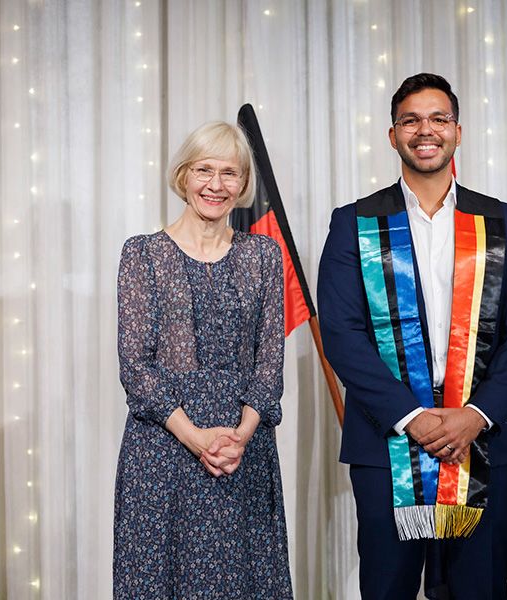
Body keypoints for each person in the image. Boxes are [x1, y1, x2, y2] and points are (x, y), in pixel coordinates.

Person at [317, 73, 507, 599]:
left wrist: (476, 414)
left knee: (478, 587)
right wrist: (412, 416)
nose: (426, 130)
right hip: (388, 435)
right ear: (392, 135)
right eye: (411, 120)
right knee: (387, 586)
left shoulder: (503, 221)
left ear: (457, 132)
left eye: (438, 119)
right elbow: (342, 334)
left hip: (482, 434)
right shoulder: (355, 223)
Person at [113, 121, 293, 599]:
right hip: (163, 451)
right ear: (183, 176)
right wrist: (196, 439)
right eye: (204, 170)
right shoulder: (143, 254)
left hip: (243, 450)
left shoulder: (264, 255)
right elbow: (135, 366)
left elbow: (270, 360)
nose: (216, 185)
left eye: (230, 173)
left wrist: (238, 438)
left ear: (243, 184)